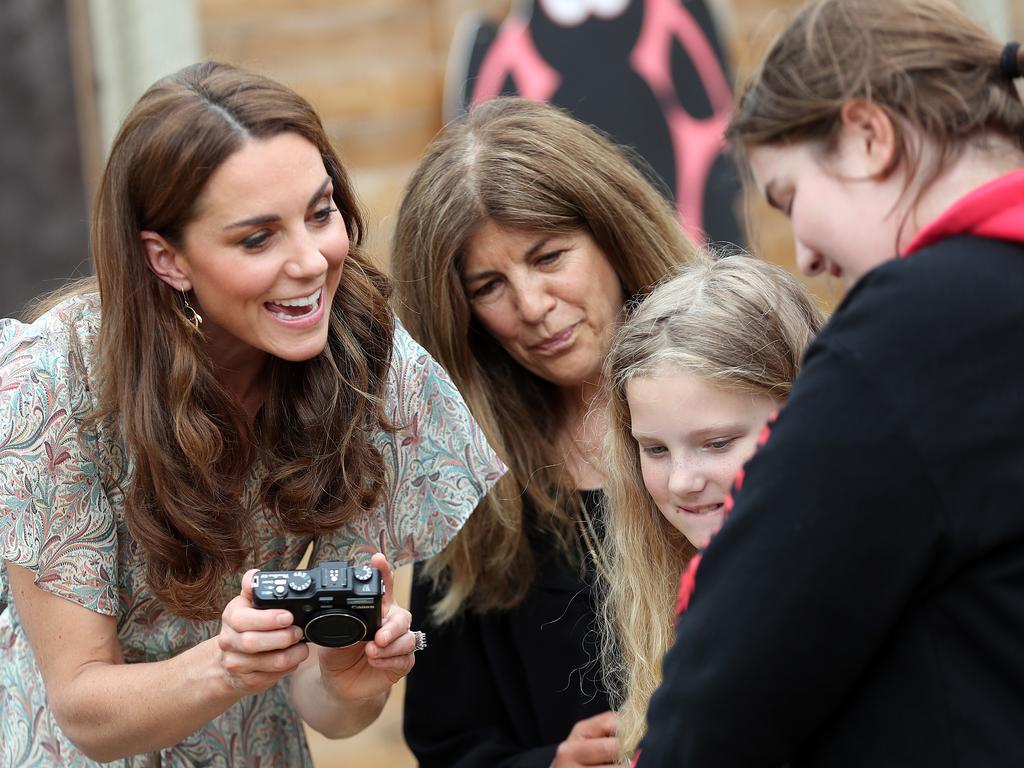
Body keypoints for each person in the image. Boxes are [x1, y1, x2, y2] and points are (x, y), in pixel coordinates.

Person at [0, 61, 504, 766]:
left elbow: (331, 709)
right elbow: (83, 703)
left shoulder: (371, 369)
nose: (310, 261)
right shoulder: (55, 384)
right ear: (167, 259)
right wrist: (229, 665)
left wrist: (350, 678)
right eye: (257, 238)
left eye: (320, 212)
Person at [632, 0, 1024, 765]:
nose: (805, 256)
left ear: (869, 137)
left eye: (788, 199)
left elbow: (734, 664)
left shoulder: (918, 328)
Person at [390, 96, 703, 767]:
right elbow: (447, 744)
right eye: (489, 286)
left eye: (550, 256)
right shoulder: (470, 481)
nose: (531, 307)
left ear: (613, 236)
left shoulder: (747, 390)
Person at [598, 255, 823, 761]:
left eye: (718, 443)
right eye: (655, 449)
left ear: (806, 411)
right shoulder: (686, 596)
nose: (682, 481)